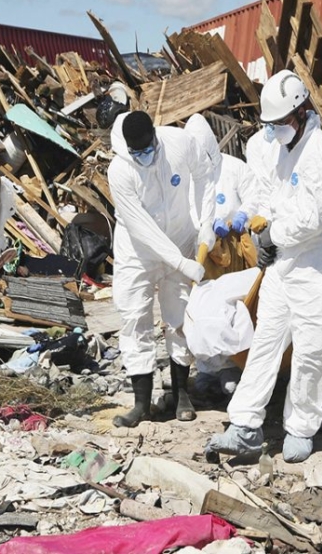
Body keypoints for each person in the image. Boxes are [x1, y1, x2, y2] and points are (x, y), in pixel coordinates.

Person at [205, 71, 322, 464]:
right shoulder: (286, 150)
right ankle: (244, 425)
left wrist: (273, 237)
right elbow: (271, 194)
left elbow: (313, 219)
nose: (277, 131)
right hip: (286, 268)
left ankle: (300, 428)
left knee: (310, 354)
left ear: (302, 112)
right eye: (272, 126)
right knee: (265, 342)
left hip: (319, 272)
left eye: (281, 124)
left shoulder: (320, 152)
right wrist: (260, 226)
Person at [107, 110, 217, 427]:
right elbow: (142, 227)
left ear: (155, 136)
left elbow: (205, 175)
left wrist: (205, 223)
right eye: (136, 152)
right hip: (138, 251)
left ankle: (181, 394)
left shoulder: (179, 143)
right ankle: (141, 404)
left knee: (179, 315)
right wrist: (181, 262)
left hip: (181, 235)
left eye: (148, 148)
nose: (144, 156)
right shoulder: (120, 170)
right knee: (134, 317)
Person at [183, 112, 258, 396]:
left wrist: (242, 215)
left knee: (233, 309)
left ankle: (231, 366)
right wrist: (204, 228)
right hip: (205, 253)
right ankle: (206, 368)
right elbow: (187, 210)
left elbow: (255, 195)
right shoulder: (189, 178)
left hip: (235, 252)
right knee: (203, 307)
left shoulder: (234, 168)